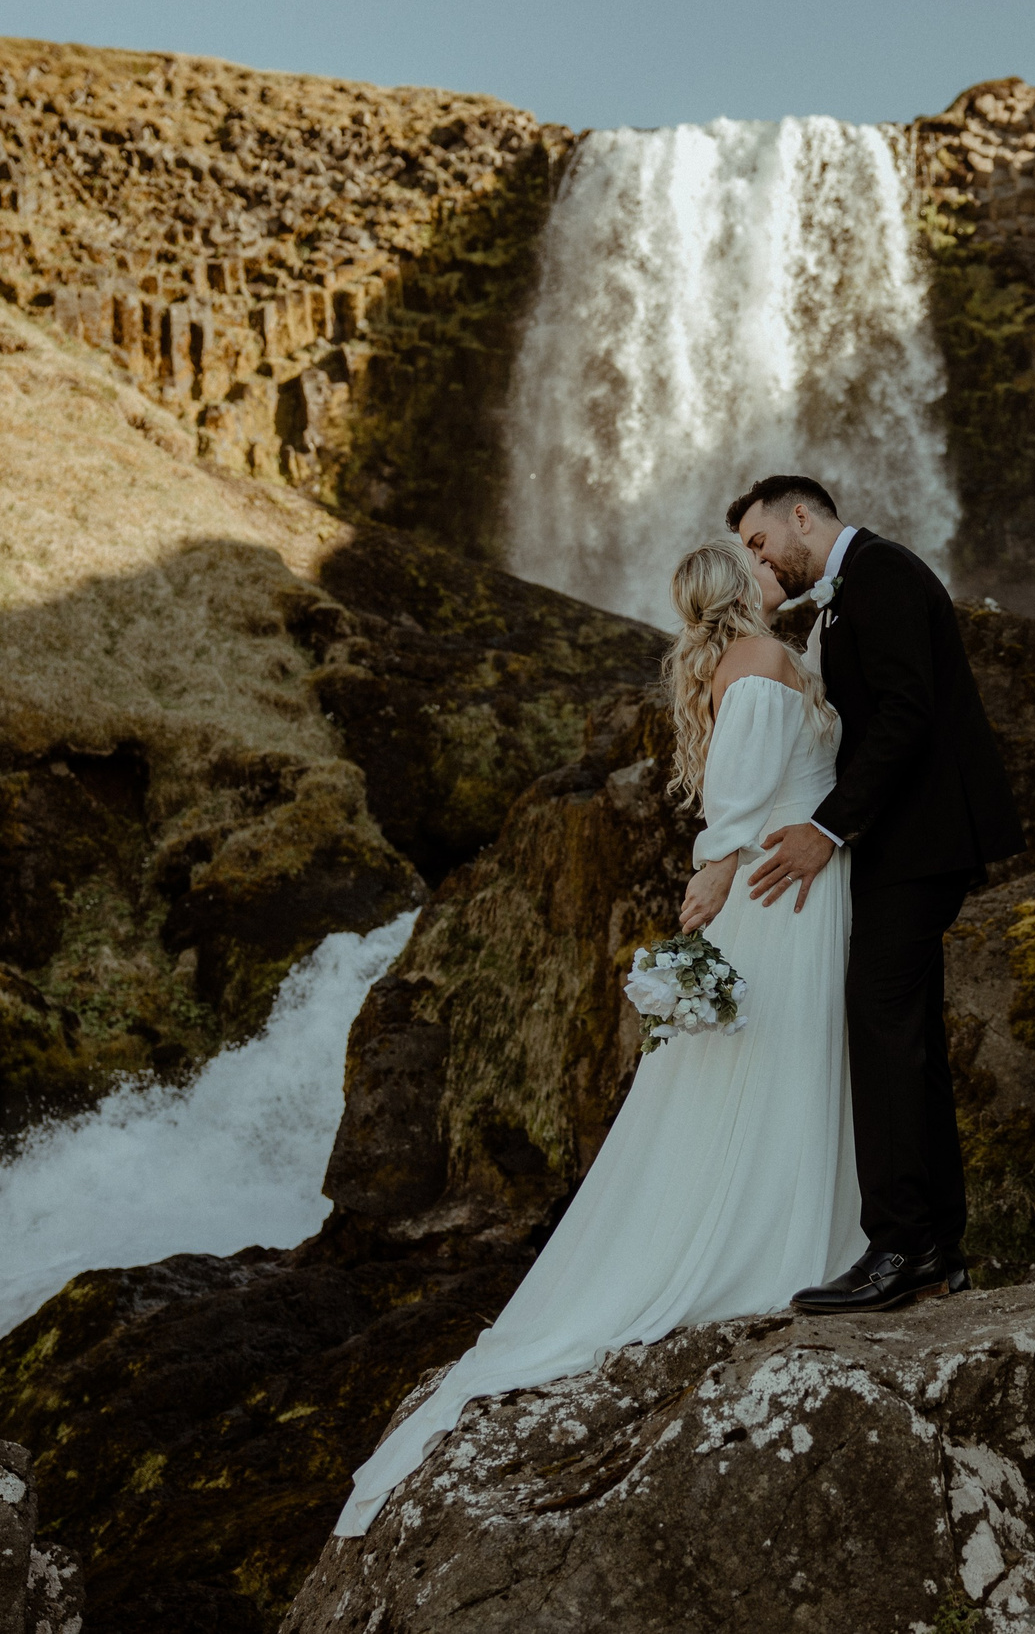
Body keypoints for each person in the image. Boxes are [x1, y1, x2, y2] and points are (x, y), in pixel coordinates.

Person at [330, 536, 863, 1537]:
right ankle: (781, 1240)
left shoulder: (751, 659)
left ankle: (800, 1227)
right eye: (750, 559)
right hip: (777, 889)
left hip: (797, 881)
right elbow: (738, 796)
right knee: (777, 1059)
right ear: (733, 593)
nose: (766, 562)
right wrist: (711, 868)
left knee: (768, 1063)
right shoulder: (756, 663)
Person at [729, 474, 1025, 1315]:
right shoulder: (846, 589)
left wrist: (826, 829)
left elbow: (906, 713)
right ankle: (936, 1248)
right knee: (908, 1036)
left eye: (757, 543)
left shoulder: (885, 571)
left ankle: (898, 1247)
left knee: (882, 1026)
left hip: (921, 840)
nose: (758, 560)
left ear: (799, 516)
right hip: (907, 842)